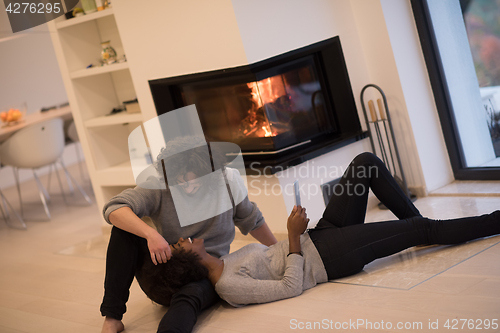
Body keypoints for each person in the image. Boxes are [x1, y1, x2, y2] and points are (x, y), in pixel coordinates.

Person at [151, 152, 500, 307]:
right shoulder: (227, 286)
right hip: (331, 257)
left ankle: (417, 230)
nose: (182, 238)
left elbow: (273, 250)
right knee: (423, 229)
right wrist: (291, 236)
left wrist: (296, 234)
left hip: (320, 236)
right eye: (180, 245)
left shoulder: (227, 262)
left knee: (364, 164)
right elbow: (289, 288)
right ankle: (476, 223)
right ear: (188, 261)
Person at [100, 136, 278, 333]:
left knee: (189, 298)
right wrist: (150, 234)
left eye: (195, 182)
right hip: (164, 270)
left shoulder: (228, 181)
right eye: (181, 182)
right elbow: (114, 208)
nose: (189, 188)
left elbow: (252, 220)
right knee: (123, 231)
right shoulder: (158, 186)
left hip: (207, 273)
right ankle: (112, 317)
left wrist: (279, 252)